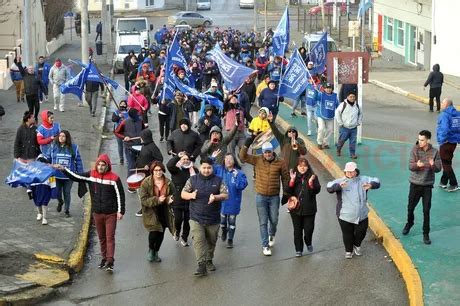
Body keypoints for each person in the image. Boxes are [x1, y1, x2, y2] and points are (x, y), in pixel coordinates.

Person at [56, 154, 125, 272]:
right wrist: (64, 170)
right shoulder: (91, 175)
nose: (101, 167)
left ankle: (110, 261)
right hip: (97, 213)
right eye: (99, 165)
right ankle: (104, 258)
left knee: (110, 238)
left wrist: (120, 211)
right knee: (102, 238)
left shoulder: (114, 179)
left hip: (110, 214)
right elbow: (76, 177)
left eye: (103, 165)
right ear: (96, 165)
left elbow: (120, 196)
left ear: (107, 166)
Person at [240, 139, 289, 256]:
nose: (267, 154)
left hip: (274, 197)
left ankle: (272, 234)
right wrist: (248, 142)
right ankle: (265, 245)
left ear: (273, 151)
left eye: (269, 152)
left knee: (274, 219)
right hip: (260, 196)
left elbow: (285, 178)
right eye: (265, 152)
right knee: (263, 222)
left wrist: (286, 194)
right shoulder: (257, 160)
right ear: (262, 153)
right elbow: (243, 156)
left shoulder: (281, 162)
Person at [181, 157, 229, 276]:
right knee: (198, 240)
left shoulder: (219, 180)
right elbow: (183, 193)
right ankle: (201, 264)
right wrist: (191, 195)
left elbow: (225, 195)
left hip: (213, 218)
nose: (206, 170)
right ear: (200, 167)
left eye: (209, 168)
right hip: (196, 217)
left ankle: (209, 260)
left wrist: (216, 197)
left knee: (211, 241)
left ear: (212, 168)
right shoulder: (193, 180)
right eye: (204, 167)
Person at [326, 162, 380, 258]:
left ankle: (357, 245)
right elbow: (329, 187)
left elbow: (377, 181)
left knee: (362, 232)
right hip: (344, 215)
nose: (349, 173)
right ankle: (348, 251)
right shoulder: (341, 181)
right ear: (345, 172)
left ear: (356, 171)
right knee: (347, 234)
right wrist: (338, 186)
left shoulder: (364, 180)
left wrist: (371, 185)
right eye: (347, 172)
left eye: (352, 171)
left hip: (362, 214)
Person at [402, 130, 442, 245]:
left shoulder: (435, 152)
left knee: (426, 211)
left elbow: (439, 169)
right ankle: (410, 223)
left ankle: (426, 233)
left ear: (428, 140)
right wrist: (416, 165)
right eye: (419, 139)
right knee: (410, 208)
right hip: (415, 184)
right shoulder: (414, 149)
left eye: (422, 140)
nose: (420, 142)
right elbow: (410, 166)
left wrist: (432, 164)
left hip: (427, 186)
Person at [138, 161, 175, 263]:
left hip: (164, 210)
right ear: (152, 171)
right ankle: (151, 250)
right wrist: (157, 200)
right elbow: (144, 199)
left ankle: (156, 252)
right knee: (154, 231)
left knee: (161, 232)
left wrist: (169, 199)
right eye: (156, 170)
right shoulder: (146, 183)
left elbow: (172, 194)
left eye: (160, 170)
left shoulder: (168, 182)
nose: (158, 172)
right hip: (151, 211)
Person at [285, 157, 321, 256]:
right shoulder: (293, 176)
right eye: (300, 166)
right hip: (296, 209)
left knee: (309, 230)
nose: (302, 168)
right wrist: (292, 181)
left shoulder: (313, 177)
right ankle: (298, 250)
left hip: (309, 209)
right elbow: (287, 191)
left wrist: (310, 184)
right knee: (297, 231)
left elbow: (317, 191)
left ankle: (308, 242)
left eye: (304, 166)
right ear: (297, 167)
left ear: (307, 167)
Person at [212, 153, 248, 248]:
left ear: (234, 161)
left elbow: (241, 186)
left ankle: (230, 239)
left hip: (233, 202)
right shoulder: (220, 170)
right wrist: (212, 158)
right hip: (222, 202)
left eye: (230, 159)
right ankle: (224, 231)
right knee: (222, 221)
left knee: (232, 222)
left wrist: (236, 177)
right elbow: (209, 168)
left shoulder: (239, 173)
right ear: (224, 160)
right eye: (226, 158)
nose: (228, 160)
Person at [47, 130, 84, 217]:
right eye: (60, 136)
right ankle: (60, 201)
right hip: (55, 176)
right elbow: (47, 159)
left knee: (67, 192)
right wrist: (48, 166)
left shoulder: (74, 148)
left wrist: (80, 174)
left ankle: (66, 210)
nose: (61, 138)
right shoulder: (53, 147)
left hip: (69, 176)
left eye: (63, 136)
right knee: (56, 193)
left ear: (67, 138)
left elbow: (78, 161)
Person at [167, 153, 197, 246]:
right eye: (183, 159)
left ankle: (184, 238)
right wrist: (177, 156)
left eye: (187, 159)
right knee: (178, 219)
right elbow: (169, 165)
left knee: (188, 221)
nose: (186, 160)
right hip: (178, 198)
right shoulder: (176, 169)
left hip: (190, 198)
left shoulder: (194, 171)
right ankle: (177, 231)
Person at [135, 129, 164, 216]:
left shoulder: (152, 147)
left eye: (142, 137)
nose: (140, 139)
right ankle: (145, 207)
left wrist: (149, 165)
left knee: (146, 193)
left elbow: (160, 159)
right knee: (143, 192)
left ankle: (148, 208)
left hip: (148, 175)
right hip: (141, 173)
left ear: (145, 137)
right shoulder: (144, 145)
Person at [114, 108, 145, 184]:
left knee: (141, 165)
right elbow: (116, 132)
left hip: (140, 146)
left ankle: (141, 182)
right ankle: (131, 184)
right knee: (131, 166)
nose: (138, 116)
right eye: (137, 115)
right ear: (132, 116)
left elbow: (144, 130)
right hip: (129, 147)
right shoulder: (124, 122)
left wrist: (144, 137)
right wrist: (124, 137)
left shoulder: (140, 121)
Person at [437, 98, 460, 192]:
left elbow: (444, 129)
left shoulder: (445, 114)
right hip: (453, 143)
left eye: (442, 103)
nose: (441, 104)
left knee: (445, 163)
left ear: (447, 104)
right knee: (447, 161)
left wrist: (441, 140)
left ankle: (454, 184)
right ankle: (443, 181)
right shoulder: (458, 114)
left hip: (446, 142)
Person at [14, 57, 44, 122]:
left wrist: (45, 92)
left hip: (35, 95)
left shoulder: (37, 76)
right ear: (27, 70)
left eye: (32, 69)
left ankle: (35, 117)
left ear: (33, 69)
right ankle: (31, 119)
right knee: (31, 109)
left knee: (37, 107)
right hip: (28, 95)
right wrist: (19, 62)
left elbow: (41, 84)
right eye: (29, 69)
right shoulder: (24, 75)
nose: (30, 70)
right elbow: (20, 68)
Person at [335, 91, 362, 159]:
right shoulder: (343, 105)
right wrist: (340, 123)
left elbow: (360, 114)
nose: (352, 98)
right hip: (344, 127)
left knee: (353, 142)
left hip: (354, 128)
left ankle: (352, 154)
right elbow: (337, 113)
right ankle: (338, 149)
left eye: (353, 97)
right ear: (347, 97)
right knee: (342, 140)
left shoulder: (357, 106)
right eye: (350, 97)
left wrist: (358, 122)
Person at [316, 83, 339, 150]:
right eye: (326, 88)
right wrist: (315, 91)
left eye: (330, 88)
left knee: (330, 130)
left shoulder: (335, 96)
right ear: (324, 89)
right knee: (321, 129)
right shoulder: (321, 94)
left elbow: (337, 105)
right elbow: (315, 98)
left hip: (330, 116)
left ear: (332, 89)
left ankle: (326, 143)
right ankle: (319, 143)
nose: (328, 89)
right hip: (321, 115)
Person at [111, 100, 129, 165]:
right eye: (121, 104)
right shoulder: (116, 112)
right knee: (120, 146)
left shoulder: (128, 112)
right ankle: (121, 159)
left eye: (124, 104)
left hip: (126, 132)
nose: (123, 105)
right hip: (118, 131)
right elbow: (113, 119)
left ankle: (128, 159)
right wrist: (119, 116)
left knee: (126, 146)